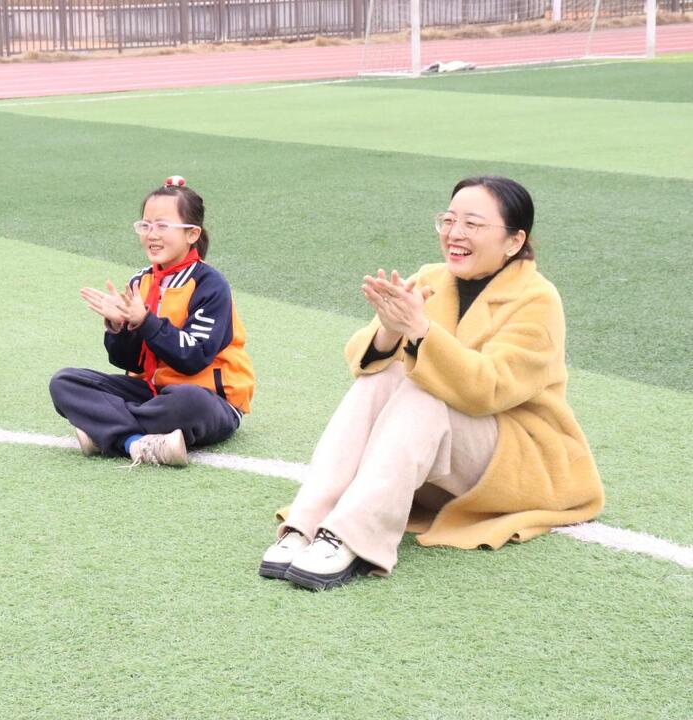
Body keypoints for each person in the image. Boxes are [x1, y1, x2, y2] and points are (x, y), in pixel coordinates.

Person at [260, 176, 603, 589]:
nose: (454, 234)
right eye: (449, 220)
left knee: (424, 389)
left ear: (514, 241)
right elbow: (361, 363)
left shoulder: (538, 299)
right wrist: (389, 330)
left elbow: (488, 390)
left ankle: (351, 535)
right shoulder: (431, 277)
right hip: (446, 459)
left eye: (473, 225)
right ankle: (308, 522)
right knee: (383, 376)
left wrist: (422, 332)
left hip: (517, 459)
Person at [49, 176, 255, 466]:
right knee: (65, 383)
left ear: (192, 234)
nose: (151, 234)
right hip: (150, 394)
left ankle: (105, 429)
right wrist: (120, 328)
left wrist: (145, 321)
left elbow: (193, 357)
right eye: (145, 225)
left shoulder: (210, 284)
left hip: (207, 399)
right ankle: (134, 442)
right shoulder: (140, 281)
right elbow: (130, 363)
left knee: (186, 403)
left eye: (162, 226)